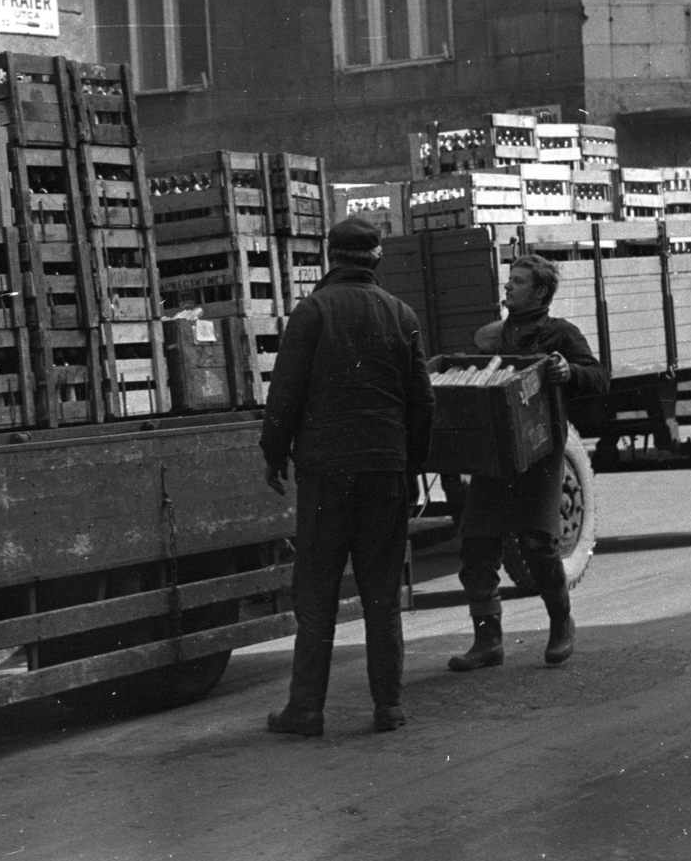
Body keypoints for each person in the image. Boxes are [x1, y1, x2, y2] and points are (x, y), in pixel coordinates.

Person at [260, 216, 435, 736]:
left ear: (330, 256)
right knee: (382, 594)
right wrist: (411, 463)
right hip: (385, 469)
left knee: (316, 591)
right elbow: (422, 400)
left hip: (325, 472)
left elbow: (284, 393)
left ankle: (307, 709)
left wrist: (274, 453)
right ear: (377, 257)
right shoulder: (402, 314)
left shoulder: (312, 312)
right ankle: (389, 707)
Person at [447, 253, 608, 672]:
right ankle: (488, 642)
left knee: (539, 546)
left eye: (517, 281)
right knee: (477, 548)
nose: (508, 287)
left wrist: (568, 371)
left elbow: (599, 377)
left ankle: (561, 624)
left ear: (539, 291)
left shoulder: (561, 334)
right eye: (509, 280)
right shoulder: (495, 336)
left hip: (538, 455)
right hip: (494, 456)